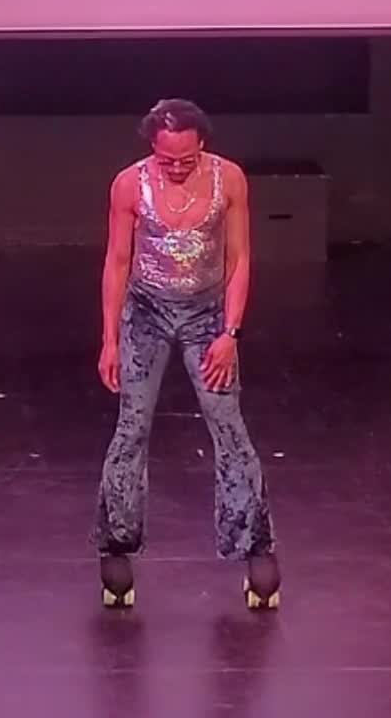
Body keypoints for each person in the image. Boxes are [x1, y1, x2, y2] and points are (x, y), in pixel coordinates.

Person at [92, 99, 279, 609]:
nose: (176, 168)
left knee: (228, 425)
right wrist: (110, 338)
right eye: (166, 159)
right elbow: (117, 261)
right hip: (146, 312)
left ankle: (254, 544)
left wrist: (230, 332)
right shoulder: (129, 185)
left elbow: (239, 259)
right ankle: (117, 544)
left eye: (186, 159)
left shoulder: (229, 179)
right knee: (132, 426)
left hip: (207, 314)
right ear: (152, 148)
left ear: (203, 146)